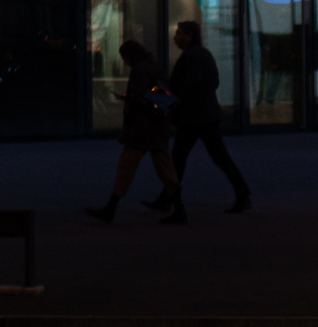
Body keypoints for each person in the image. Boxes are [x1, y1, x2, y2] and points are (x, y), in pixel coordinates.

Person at [146, 21, 251, 214]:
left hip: (193, 117)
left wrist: (171, 99)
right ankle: (242, 193)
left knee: (179, 158)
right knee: (217, 157)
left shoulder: (191, 56)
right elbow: (212, 82)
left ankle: (167, 198)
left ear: (189, 36)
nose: (175, 37)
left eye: (179, 34)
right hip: (206, 115)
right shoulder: (203, 54)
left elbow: (190, 84)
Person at [86, 41, 186, 225]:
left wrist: (130, 103)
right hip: (157, 126)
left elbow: (139, 97)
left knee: (126, 166)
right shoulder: (152, 65)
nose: (124, 62)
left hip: (143, 127)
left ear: (129, 55)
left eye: (124, 57)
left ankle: (110, 208)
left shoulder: (139, 69)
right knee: (166, 170)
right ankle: (179, 210)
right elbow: (154, 93)